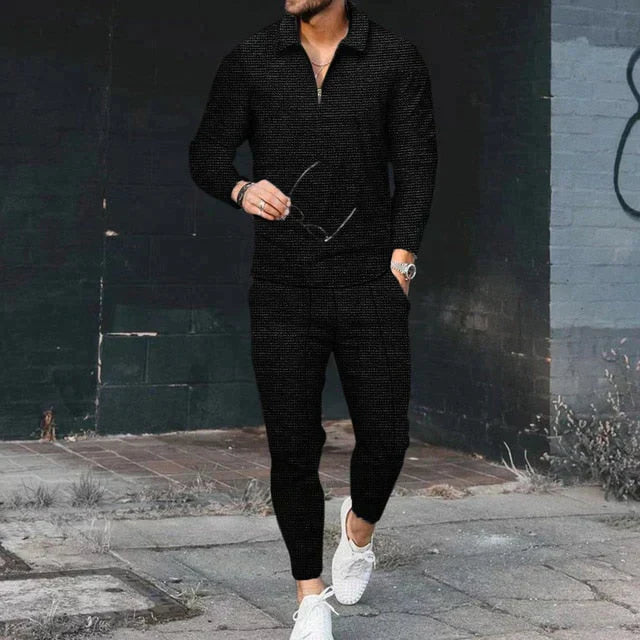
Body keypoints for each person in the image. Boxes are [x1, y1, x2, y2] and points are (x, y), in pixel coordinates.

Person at [189, 0, 437, 637]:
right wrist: (242, 190)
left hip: (368, 284)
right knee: (293, 447)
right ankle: (309, 597)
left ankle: (358, 532)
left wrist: (402, 261)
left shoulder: (394, 60)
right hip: (283, 288)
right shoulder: (252, 60)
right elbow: (207, 154)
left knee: (387, 438)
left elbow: (416, 165)